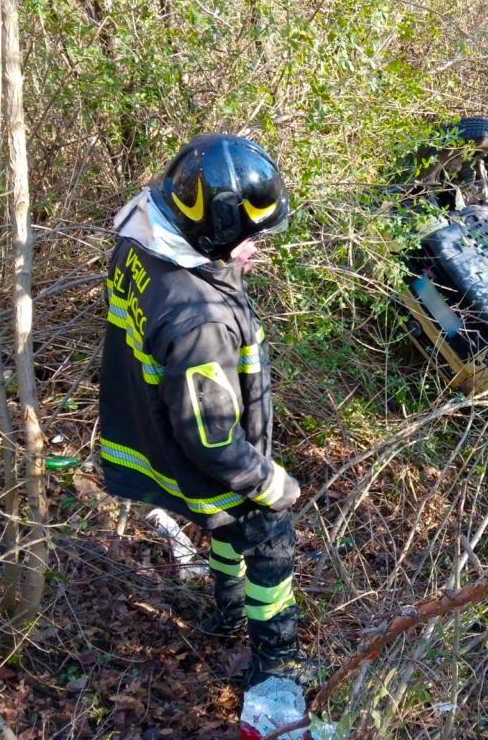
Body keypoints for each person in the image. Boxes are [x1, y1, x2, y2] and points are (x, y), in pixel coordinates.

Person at [98, 134, 328, 739]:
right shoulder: (198, 319)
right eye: (249, 236)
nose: (256, 248)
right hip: (201, 458)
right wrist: (272, 482)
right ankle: (275, 660)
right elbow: (212, 438)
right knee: (268, 539)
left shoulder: (145, 236)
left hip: (156, 441)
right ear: (214, 232)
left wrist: (226, 265)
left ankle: (224, 615)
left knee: (225, 524)